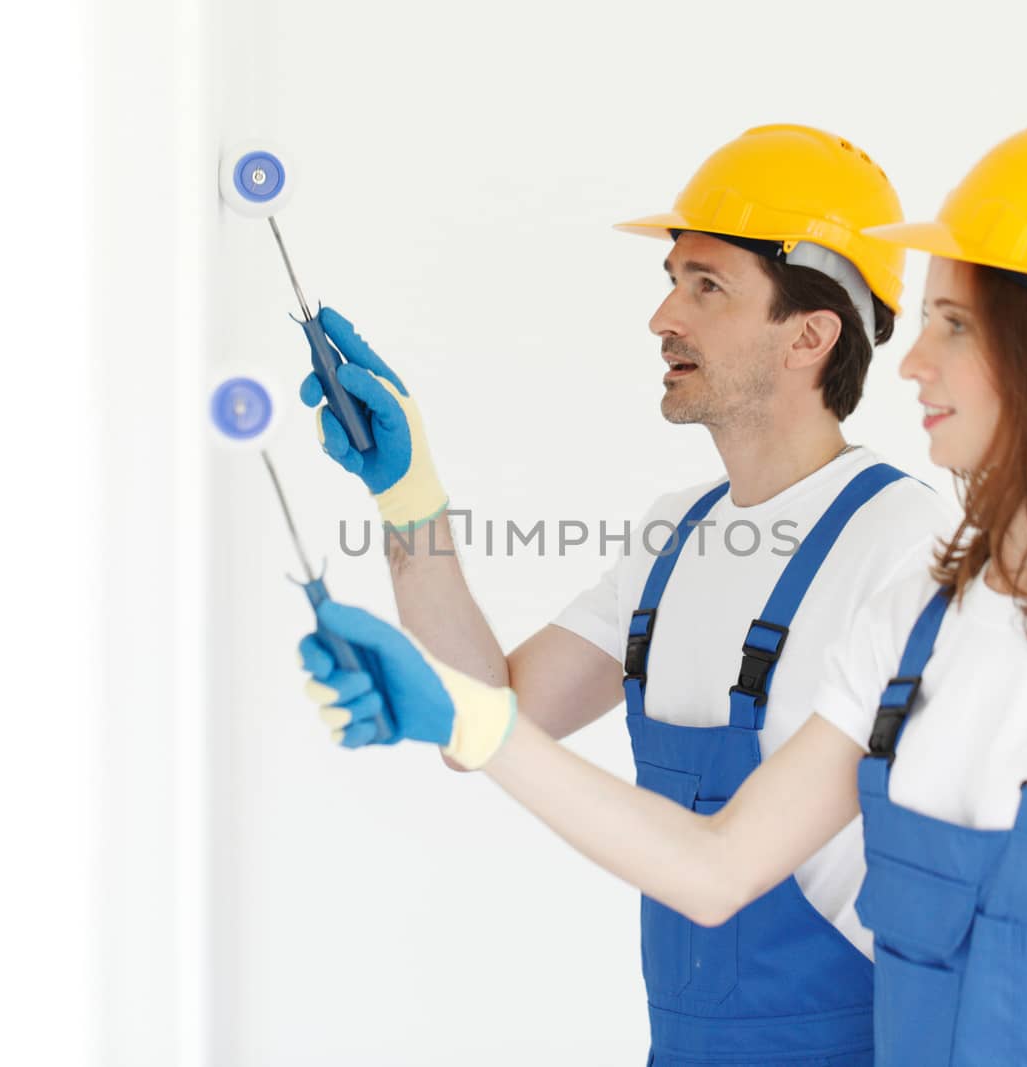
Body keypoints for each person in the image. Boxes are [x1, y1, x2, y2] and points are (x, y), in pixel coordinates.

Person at [302, 114, 1027, 1066]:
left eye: (953, 320)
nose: (914, 356)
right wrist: (411, 505)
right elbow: (678, 840)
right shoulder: (914, 611)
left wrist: (478, 724)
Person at [298, 125, 946, 1065]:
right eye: (672, 278)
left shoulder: (903, 547)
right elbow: (494, 715)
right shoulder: (673, 538)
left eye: (706, 285)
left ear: (812, 334)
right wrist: (410, 498)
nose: (663, 317)